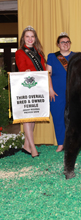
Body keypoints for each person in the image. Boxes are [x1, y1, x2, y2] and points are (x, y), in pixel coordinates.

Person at [15, 25, 46, 158]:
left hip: (38, 87)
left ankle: (27, 146)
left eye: (32, 36)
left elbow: (43, 70)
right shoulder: (20, 52)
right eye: (27, 36)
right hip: (26, 87)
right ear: (23, 38)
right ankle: (33, 148)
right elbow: (22, 69)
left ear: (35, 38)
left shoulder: (39, 53)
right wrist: (27, 72)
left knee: (33, 116)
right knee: (28, 116)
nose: (30, 39)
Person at [46, 33, 74, 152]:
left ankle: (73, 143)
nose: (65, 44)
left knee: (73, 118)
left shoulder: (76, 56)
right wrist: (50, 89)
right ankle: (61, 143)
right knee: (58, 117)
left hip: (73, 92)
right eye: (63, 42)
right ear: (58, 44)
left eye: (67, 42)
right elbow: (48, 74)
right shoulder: (52, 56)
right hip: (56, 92)